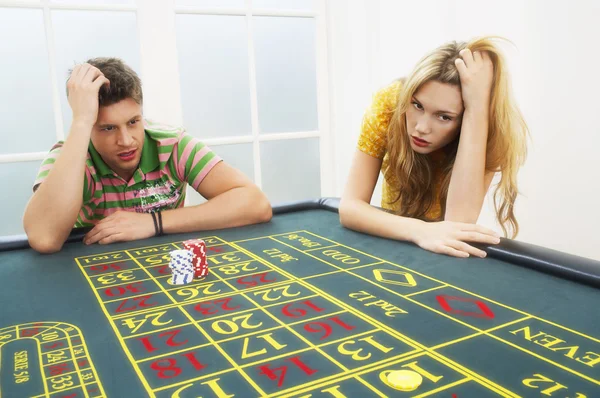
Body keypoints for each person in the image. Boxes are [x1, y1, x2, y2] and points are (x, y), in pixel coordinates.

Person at [23, 57, 272, 254]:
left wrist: (154, 222)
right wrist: (81, 120)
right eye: (108, 128)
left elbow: (255, 203)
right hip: (93, 267)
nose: (126, 140)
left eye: (133, 121)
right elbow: (44, 239)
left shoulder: (172, 144)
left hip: (165, 265)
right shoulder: (70, 155)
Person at [339, 37, 528, 258]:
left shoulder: (490, 130)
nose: (421, 128)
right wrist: (420, 230)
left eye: (444, 117)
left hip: (441, 254)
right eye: (417, 105)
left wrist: (476, 111)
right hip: (392, 239)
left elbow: (459, 222)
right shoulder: (390, 104)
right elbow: (350, 208)